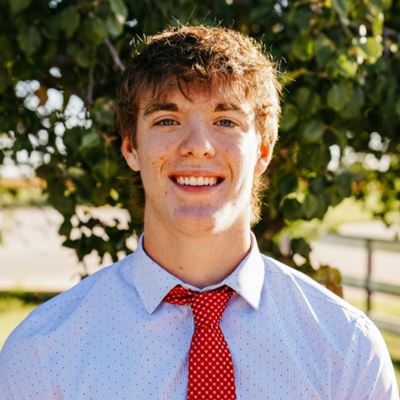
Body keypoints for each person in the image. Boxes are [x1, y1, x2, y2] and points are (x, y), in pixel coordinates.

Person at [0, 25, 398, 400]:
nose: (198, 145)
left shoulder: (347, 348)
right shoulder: (42, 354)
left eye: (225, 121)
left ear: (263, 150)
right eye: (167, 120)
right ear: (131, 148)